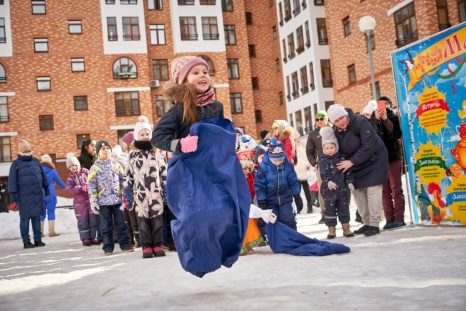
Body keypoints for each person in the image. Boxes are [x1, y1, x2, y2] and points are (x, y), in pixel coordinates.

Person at [327, 104, 388, 237]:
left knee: (373, 190)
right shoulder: (336, 132)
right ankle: (366, 223)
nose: (340, 122)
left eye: (341, 118)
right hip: (355, 165)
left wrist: (351, 162)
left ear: (346, 115)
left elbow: (368, 145)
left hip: (374, 160)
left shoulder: (360, 122)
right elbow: (334, 149)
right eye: (336, 121)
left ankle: (374, 224)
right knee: (358, 192)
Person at [151, 56, 224, 152]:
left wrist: (229, 136)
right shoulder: (179, 110)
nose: (203, 75)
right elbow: (157, 138)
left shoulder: (217, 106)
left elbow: (222, 130)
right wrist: (180, 145)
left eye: (205, 72)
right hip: (187, 164)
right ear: (184, 80)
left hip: (212, 161)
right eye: (196, 73)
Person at [126, 116, 166, 259]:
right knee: (143, 223)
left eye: (147, 134)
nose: (145, 137)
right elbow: (128, 175)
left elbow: (163, 172)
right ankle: (147, 247)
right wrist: (128, 193)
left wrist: (166, 188)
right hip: (140, 195)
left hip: (155, 194)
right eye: (142, 134)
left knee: (157, 222)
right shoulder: (132, 155)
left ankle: (157, 245)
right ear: (137, 136)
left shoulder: (157, 153)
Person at [88, 140, 134, 255]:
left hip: (117, 200)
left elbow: (122, 180)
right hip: (103, 203)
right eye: (103, 149)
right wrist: (93, 200)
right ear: (98, 153)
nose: (106, 151)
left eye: (108, 148)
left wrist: (125, 194)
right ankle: (108, 247)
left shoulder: (116, 165)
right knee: (106, 226)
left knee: (121, 224)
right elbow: (92, 185)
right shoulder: (94, 168)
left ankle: (125, 244)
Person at [254, 137, 302, 231]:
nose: (278, 162)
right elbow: (259, 185)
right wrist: (262, 201)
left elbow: (293, 181)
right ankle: (276, 239)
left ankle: (292, 236)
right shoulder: (264, 167)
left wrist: (297, 196)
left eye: (280, 160)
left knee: (289, 219)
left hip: (285, 197)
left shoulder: (288, 165)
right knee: (273, 220)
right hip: (269, 199)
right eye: (275, 160)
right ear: (270, 157)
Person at [8, 140, 49, 249]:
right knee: (25, 219)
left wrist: (47, 189)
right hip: (24, 196)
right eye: (25, 150)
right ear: (21, 152)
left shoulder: (35, 161)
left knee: (36, 217)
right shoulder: (16, 164)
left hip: (36, 195)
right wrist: (13, 198)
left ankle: (38, 240)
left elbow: (43, 176)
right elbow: (12, 182)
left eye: (29, 150)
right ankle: (26, 241)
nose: (27, 152)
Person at [318, 127, 355, 239]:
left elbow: (347, 172)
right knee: (329, 209)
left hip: (343, 189)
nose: (330, 150)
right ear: (324, 148)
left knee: (344, 208)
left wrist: (349, 182)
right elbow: (324, 173)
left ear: (336, 146)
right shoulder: (323, 160)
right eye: (327, 148)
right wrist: (328, 181)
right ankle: (331, 229)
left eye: (332, 147)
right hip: (328, 191)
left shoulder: (342, 158)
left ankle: (346, 227)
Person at [375, 96, 405, 229]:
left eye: (386, 103)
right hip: (379, 161)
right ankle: (389, 219)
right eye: (381, 104)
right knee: (384, 191)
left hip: (393, 157)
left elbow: (396, 134)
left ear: (390, 105)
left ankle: (399, 218)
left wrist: (385, 119)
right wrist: (376, 119)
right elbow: (371, 136)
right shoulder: (373, 120)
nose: (384, 106)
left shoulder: (394, 118)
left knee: (396, 189)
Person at [65, 152, 99, 246]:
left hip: (89, 201)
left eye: (74, 165)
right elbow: (70, 188)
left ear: (78, 165)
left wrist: (88, 186)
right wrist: (80, 188)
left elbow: (92, 180)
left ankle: (93, 237)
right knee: (83, 221)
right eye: (70, 167)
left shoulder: (86, 172)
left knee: (92, 220)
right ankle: (85, 238)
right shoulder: (70, 178)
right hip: (80, 204)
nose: (73, 168)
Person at [306, 111, 330, 224]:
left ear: (326, 119)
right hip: (321, 165)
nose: (320, 121)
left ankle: (340, 211)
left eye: (322, 118)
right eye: (317, 119)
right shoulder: (313, 134)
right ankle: (324, 213)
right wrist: (314, 164)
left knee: (339, 188)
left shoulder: (333, 131)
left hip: (336, 165)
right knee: (322, 190)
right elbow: (309, 151)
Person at [121, 131, 140, 248]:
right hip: (128, 192)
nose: (123, 144)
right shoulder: (126, 155)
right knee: (132, 218)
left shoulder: (133, 155)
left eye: (124, 142)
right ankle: (136, 239)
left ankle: (140, 239)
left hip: (136, 190)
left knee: (137, 217)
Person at [39, 154, 66, 238]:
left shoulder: (38, 170)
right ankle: (51, 232)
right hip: (50, 193)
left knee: (41, 213)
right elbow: (59, 181)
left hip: (40, 193)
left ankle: (40, 232)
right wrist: (65, 187)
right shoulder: (52, 170)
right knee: (51, 212)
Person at [292, 131, 313, 213]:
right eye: (297, 137)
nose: (299, 138)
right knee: (298, 191)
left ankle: (309, 206)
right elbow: (297, 160)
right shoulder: (294, 148)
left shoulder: (301, 146)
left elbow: (306, 156)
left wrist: (308, 165)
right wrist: (305, 165)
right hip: (298, 171)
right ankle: (298, 207)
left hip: (305, 171)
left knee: (307, 190)